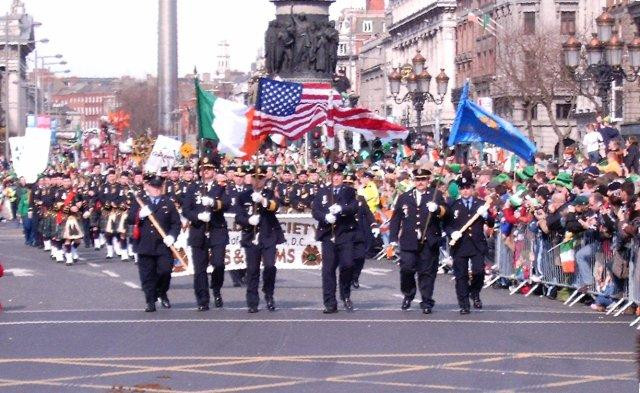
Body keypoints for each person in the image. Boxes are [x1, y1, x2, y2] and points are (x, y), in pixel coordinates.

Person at [389, 168, 448, 314]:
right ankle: (408, 294)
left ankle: (427, 301)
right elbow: (396, 218)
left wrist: (438, 209)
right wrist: (393, 238)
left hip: (429, 240)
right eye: (417, 180)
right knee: (407, 269)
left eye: (423, 180)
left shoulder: (436, 195)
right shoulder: (404, 197)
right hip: (409, 240)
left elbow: (447, 212)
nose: (420, 182)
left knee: (426, 272)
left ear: (428, 180)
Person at [182, 157, 231, 311]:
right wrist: (197, 216)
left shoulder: (220, 187)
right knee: (200, 268)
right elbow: (186, 210)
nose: (206, 171)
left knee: (218, 264)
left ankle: (216, 289)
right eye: (204, 168)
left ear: (214, 171)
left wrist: (213, 204)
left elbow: (227, 204)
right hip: (198, 230)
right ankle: (203, 299)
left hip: (217, 229)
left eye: (209, 168)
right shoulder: (192, 189)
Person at [127, 175, 181, 312]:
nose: (156, 190)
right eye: (153, 187)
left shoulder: (167, 202)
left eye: (159, 187)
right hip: (145, 244)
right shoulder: (140, 202)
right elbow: (130, 219)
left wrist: (172, 236)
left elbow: (176, 223)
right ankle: (150, 301)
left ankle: (162, 292)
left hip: (163, 244)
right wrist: (140, 215)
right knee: (147, 275)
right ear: (147, 187)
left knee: (165, 271)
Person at [235, 167, 285, 313]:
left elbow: (275, 206)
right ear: (251, 179)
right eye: (256, 178)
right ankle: (252, 301)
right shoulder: (243, 196)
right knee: (252, 270)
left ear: (264, 179)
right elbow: (238, 216)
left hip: (268, 235)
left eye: (261, 178)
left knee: (270, 267)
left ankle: (269, 294)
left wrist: (263, 200)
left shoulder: (269, 193)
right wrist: (248, 220)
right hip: (251, 236)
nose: (258, 181)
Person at [312, 162, 358, 313]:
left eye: (338, 175)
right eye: (333, 175)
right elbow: (315, 211)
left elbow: (354, 207)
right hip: (328, 235)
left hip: (345, 233)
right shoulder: (322, 191)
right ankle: (330, 302)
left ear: (342, 176)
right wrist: (325, 217)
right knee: (328, 270)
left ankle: (345, 294)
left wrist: (341, 209)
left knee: (348, 265)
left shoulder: (349, 191)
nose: (336, 178)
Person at [446, 171, 492, 314]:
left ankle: (474, 292)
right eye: (463, 188)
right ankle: (464, 304)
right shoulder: (453, 205)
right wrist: (451, 232)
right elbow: (446, 224)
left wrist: (486, 215)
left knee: (479, 272)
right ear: (460, 190)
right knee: (461, 276)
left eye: (468, 187)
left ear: (472, 189)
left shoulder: (481, 204)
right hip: (460, 245)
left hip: (476, 244)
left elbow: (491, 222)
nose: (465, 190)